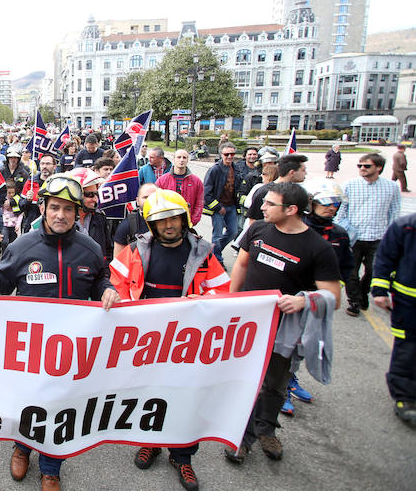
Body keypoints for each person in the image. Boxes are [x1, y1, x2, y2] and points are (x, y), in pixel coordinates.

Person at [0, 173, 117, 491]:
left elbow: (100, 279)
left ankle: (51, 467)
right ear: (42, 207)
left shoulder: (90, 249)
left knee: (60, 409)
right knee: (28, 403)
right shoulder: (23, 246)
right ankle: (22, 447)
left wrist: (107, 288)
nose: (60, 215)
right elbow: (0, 277)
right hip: (30, 348)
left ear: (77, 213)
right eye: (54, 207)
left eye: (68, 209)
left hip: (71, 348)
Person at [110, 189, 230, 491]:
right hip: (148, 343)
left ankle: (182, 456)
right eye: (161, 221)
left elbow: (223, 291)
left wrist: (200, 303)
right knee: (148, 396)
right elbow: (116, 281)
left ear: (184, 218)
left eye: (174, 218)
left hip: (187, 344)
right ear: (151, 224)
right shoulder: (137, 250)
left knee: (185, 400)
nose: (169, 225)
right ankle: (151, 442)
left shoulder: (203, 252)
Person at [226, 182, 340, 465]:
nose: (261, 207)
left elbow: (333, 297)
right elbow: (241, 265)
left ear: (291, 210)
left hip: (283, 331)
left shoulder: (319, 248)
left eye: (269, 203)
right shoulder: (256, 230)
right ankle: (242, 437)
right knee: (245, 381)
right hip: (248, 322)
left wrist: (304, 300)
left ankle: (267, 429)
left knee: (275, 384)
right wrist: (228, 303)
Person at [279, 181, 354, 416]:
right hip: (290, 299)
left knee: (304, 344)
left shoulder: (340, 235)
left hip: (314, 302)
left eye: (336, 204)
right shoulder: (300, 228)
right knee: (284, 350)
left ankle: (290, 382)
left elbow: (345, 268)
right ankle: (282, 390)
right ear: (313, 203)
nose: (332, 208)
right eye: (327, 203)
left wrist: (328, 290)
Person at [337, 153, 402, 317]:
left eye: (367, 166)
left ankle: (364, 292)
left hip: (379, 237)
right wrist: (339, 232)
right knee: (351, 271)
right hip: (354, 237)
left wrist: (392, 235)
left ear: (378, 168)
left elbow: (394, 212)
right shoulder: (350, 185)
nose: (362, 169)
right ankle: (354, 300)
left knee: (373, 270)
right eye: (360, 166)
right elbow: (341, 211)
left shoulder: (391, 187)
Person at [371, 212, 416, 426]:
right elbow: (385, 258)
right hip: (409, 305)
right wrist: (379, 289)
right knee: (408, 349)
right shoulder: (406, 227)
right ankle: (405, 397)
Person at [202, 142, 243, 264]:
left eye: (232, 154)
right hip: (218, 208)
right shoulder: (214, 169)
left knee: (233, 232)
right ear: (221, 154)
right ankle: (217, 260)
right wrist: (218, 207)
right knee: (217, 235)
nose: (230, 156)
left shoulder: (236, 168)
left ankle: (215, 252)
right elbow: (206, 192)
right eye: (227, 154)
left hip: (232, 207)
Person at [245, 154, 308, 223]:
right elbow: (253, 220)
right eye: (303, 170)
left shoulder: (297, 191)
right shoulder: (265, 192)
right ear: (292, 172)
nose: (306, 173)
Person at [70, 167, 111, 261]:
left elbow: (107, 251)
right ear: (75, 194)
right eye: (90, 195)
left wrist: (104, 274)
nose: (95, 199)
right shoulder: (61, 220)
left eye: (97, 194)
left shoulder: (100, 217)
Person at [12, 153, 57, 234]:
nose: (45, 166)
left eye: (48, 164)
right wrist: (27, 200)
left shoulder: (59, 182)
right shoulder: (31, 182)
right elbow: (21, 206)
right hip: (31, 227)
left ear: (54, 166)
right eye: (42, 163)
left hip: (53, 228)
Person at [155, 149, 203, 226]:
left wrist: (192, 221)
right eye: (179, 157)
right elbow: (155, 200)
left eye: (184, 158)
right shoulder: (162, 180)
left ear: (188, 160)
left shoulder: (196, 182)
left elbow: (199, 204)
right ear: (173, 159)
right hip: (167, 223)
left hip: (187, 223)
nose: (181, 160)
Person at [112, 183, 158, 256]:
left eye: (154, 196)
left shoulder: (168, 221)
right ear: (137, 201)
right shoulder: (127, 225)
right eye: (145, 197)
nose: (150, 200)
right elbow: (118, 262)